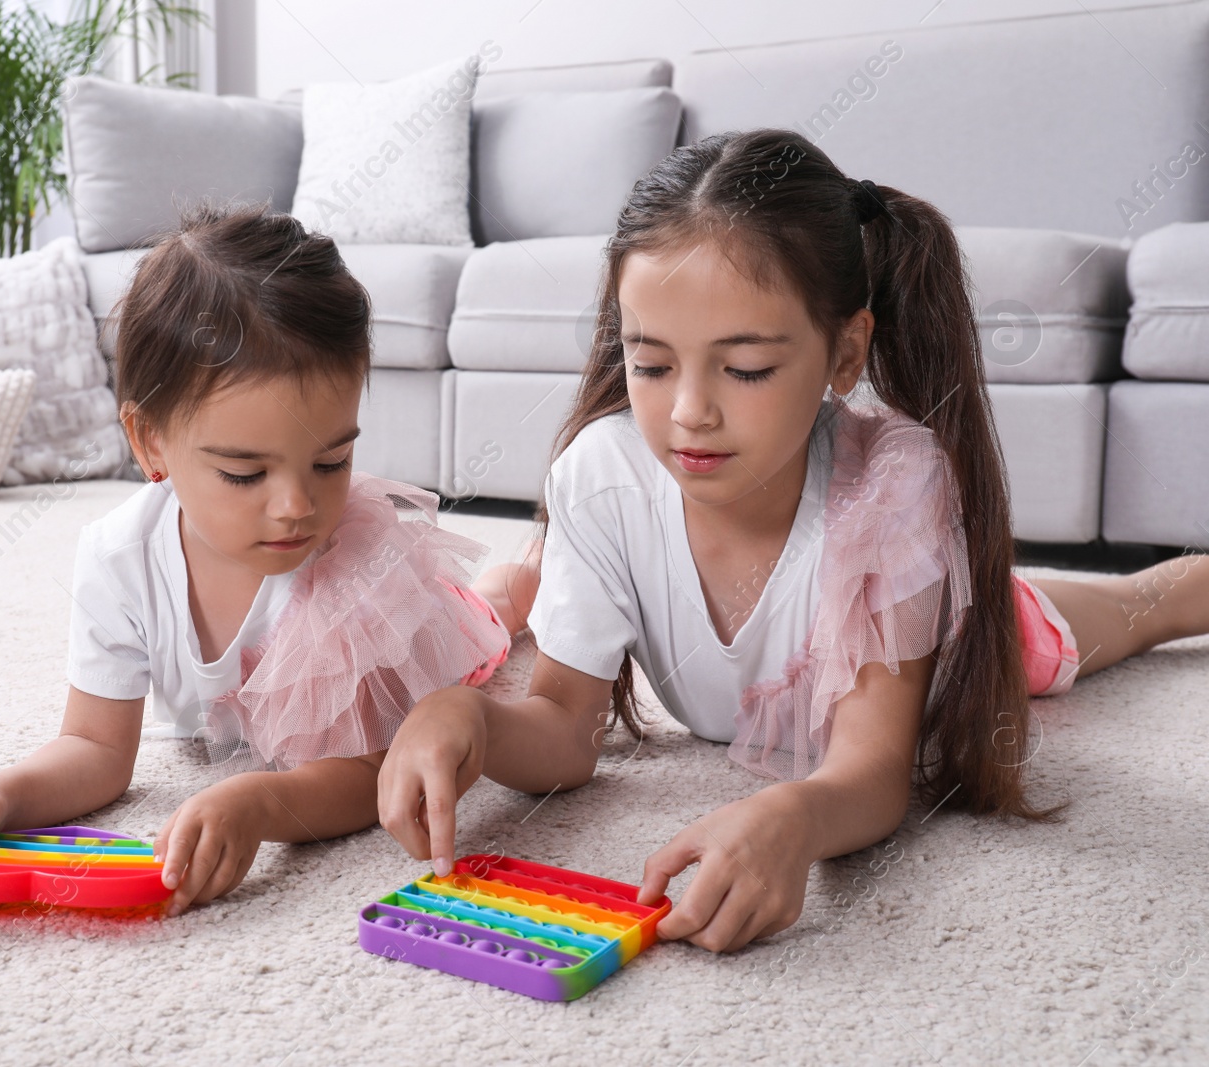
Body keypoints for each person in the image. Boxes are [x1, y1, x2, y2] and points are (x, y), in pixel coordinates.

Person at [377, 129, 1209, 952]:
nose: (690, 412)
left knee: (1124, 611)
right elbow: (563, 726)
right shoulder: (603, 473)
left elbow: (873, 770)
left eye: (744, 369)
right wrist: (471, 717)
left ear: (846, 352)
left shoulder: (893, 489)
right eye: (653, 364)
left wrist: (794, 816)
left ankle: (1176, 589)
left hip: (950, 628)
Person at [0, 204, 508, 917]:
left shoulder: (347, 559)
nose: (297, 506)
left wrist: (261, 801)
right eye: (246, 475)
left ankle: (516, 581)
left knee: (486, 631)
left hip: (412, 620)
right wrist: (2, 794)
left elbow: (370, 769)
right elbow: (93, 745)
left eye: (332, 461)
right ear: (149, 444)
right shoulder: (118, 557)